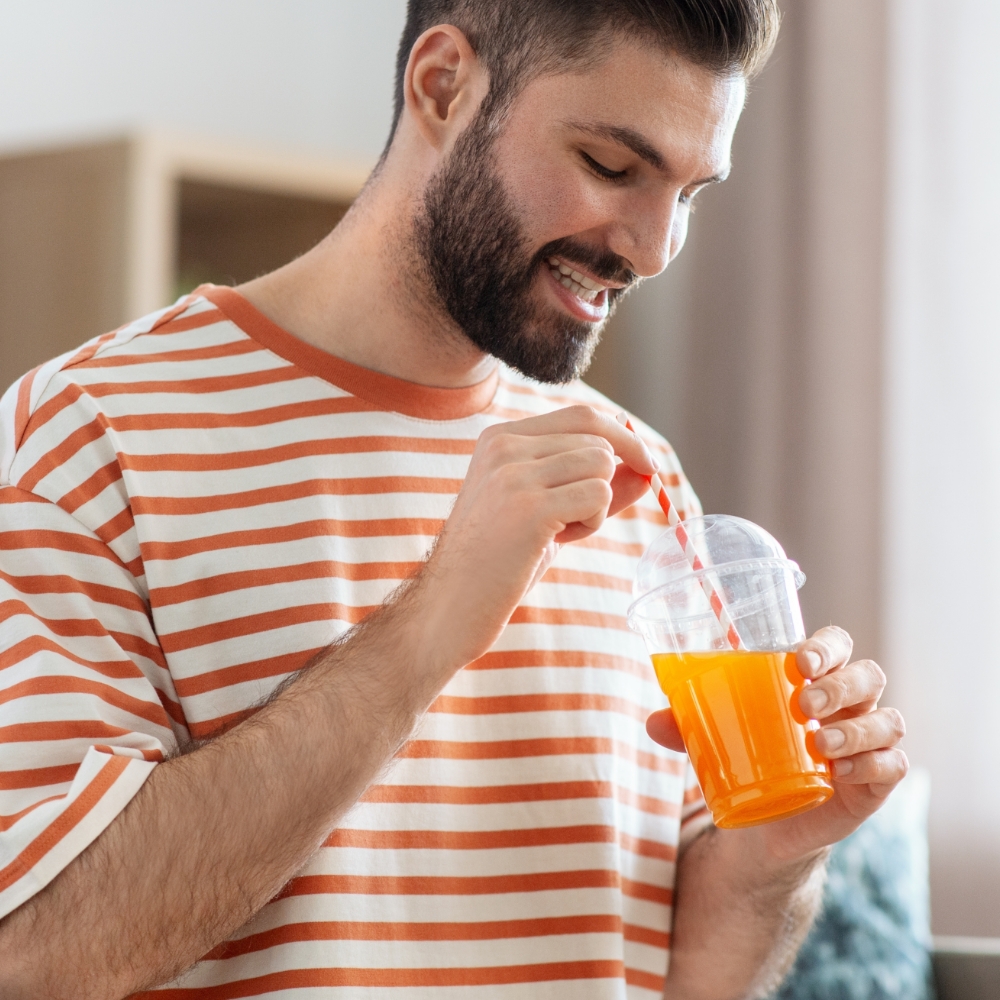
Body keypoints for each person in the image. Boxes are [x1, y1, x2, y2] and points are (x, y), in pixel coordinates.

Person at [0, 2, 908, 997]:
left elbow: (680, 974)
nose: (653, 247)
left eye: (688, 192)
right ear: (442, 86)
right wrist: (433, 621)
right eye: (611, 165)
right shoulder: (89, 438)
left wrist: (775, 858)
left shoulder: (641, 481)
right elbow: (36, 954)